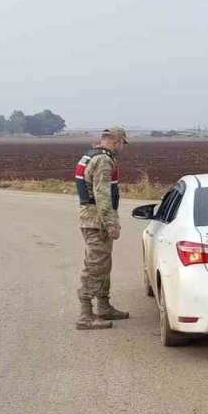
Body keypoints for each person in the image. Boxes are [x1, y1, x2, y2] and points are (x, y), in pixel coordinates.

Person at [74, 125, 130, 330]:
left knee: (103, 264)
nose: (122, 147)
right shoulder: (104, 160)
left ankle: (104, 307)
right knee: (95, 266)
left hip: (91, 219)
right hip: (97, 222)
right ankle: (85, 316)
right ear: (115, 141)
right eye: (122, 143)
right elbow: (103, 195)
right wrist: (111, 224)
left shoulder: (91, 155)